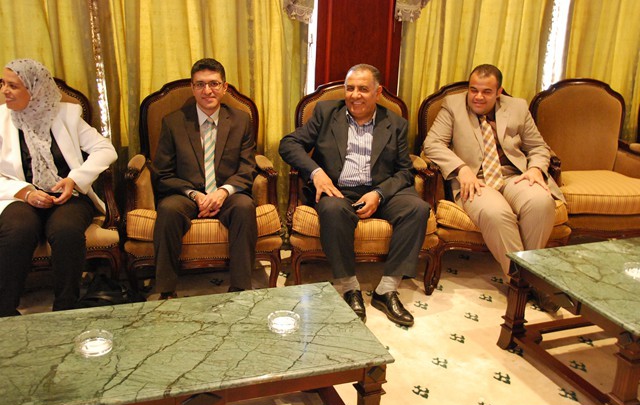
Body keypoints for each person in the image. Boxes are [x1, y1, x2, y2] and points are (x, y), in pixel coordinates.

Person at [279, 64, 430, 327]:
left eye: (363, 89)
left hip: (380, 189)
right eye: (350, 88)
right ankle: (350, 288)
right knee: (332, 210)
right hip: (338, 189)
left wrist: (379, 194)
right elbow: (289, 144)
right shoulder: (326, 113)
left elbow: (405, 171)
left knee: (417, 208)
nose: (355, 95)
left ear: (378, 93)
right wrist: (316, 173)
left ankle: (386, 290)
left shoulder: (395, 123)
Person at [423, 64, 564, 280]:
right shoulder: (453, 105)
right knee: (497, 214)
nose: (478, 97)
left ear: (499, 92)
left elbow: (538, 146)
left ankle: (525, 277)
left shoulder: (517, 107)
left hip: (514, 175)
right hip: (475, 180)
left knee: (541, 203)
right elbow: (432, 144)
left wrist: (536, 168)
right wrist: (461, 169)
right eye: (473, 90)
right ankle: (523, 281)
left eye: (486, 92)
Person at [0, 59, 117, 317]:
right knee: (17, 229)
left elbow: (105, 149)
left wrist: (75, 179)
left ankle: (65, 309)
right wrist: (25, 192)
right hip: (20, 197)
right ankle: (4, 310)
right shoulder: (1, 119)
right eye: (3, 84)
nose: (4, 91)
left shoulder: (67, 115)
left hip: (69, 196)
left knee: (66, 231)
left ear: (35, 89)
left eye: (13, 86)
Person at [152, 58, 257, 298]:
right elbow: (162, 173)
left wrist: (223, 192)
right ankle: (166, 291)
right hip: (187, 195)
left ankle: (240, 289)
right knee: (168, 210)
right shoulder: (173, 122)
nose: (207, 90)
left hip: (227, 193)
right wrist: (195, 195)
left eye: (213, 84)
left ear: (224, 87)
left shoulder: (241, 120)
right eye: (200, 84)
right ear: (192, 88)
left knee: (245, 207)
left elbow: (247, 167)